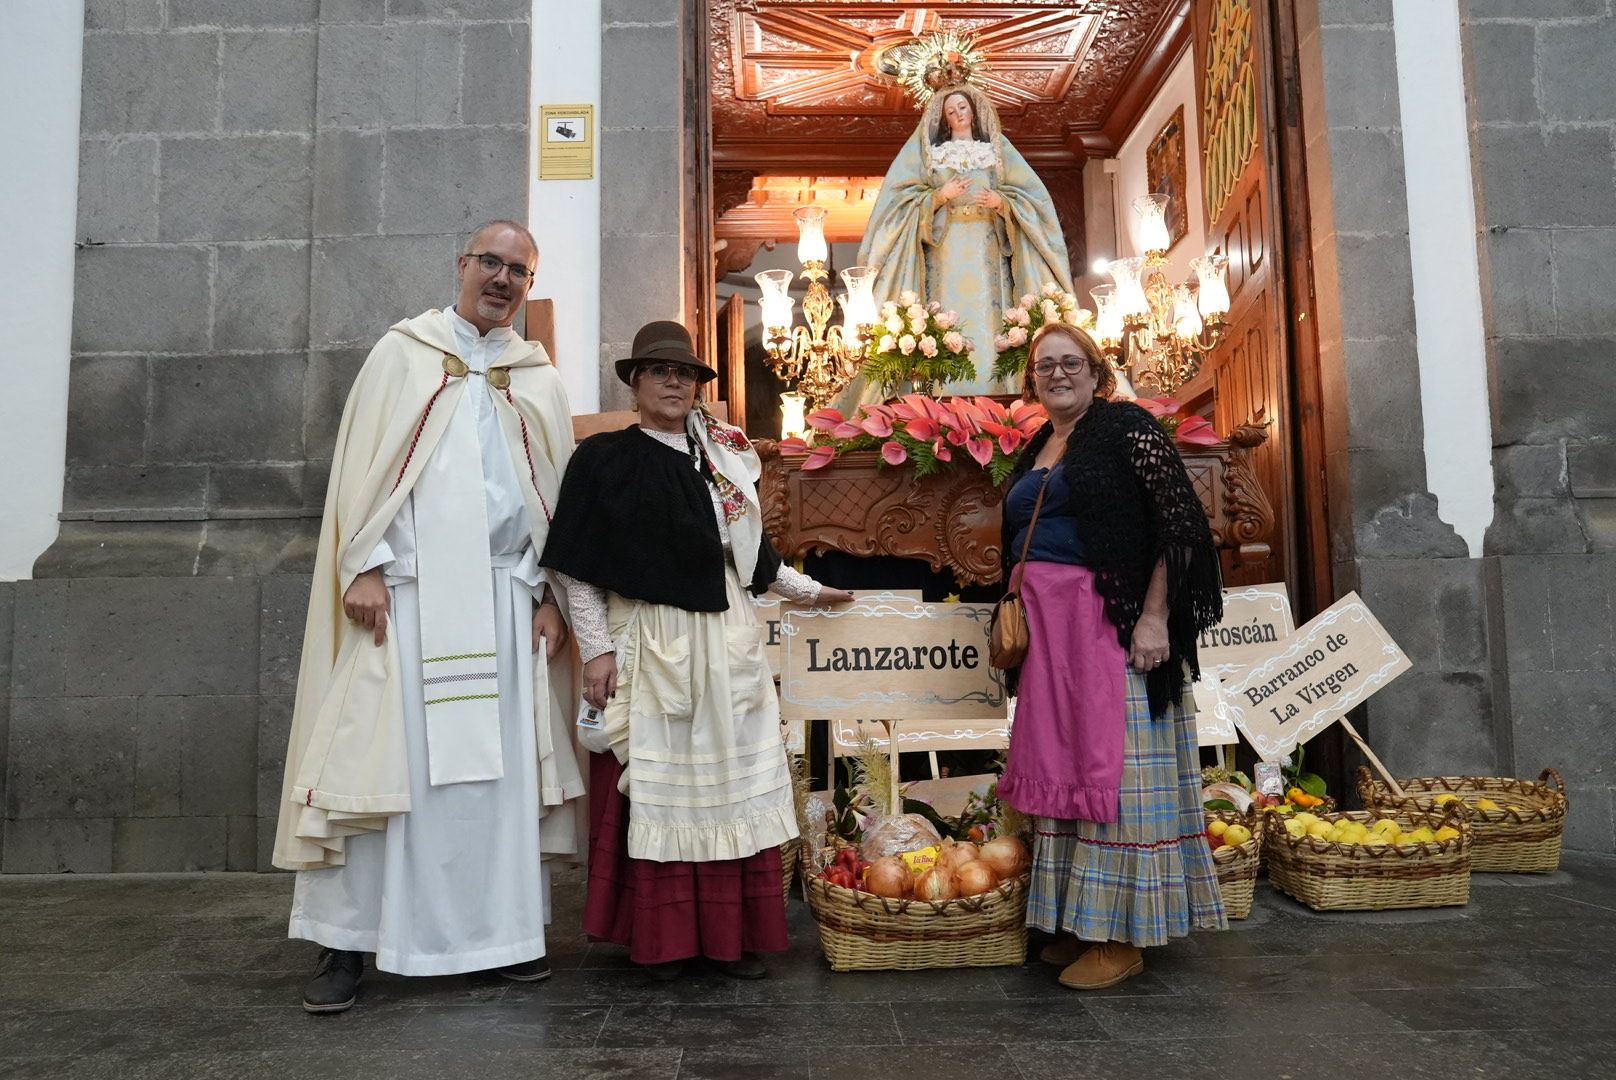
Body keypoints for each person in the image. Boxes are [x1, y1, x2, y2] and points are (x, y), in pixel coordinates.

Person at [273, 220, 587, 1013]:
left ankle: (502, 938)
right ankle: (346, 948)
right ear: (461, 265)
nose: (503, 278)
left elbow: (555, 500)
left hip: (504, 600)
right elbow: (361, 475)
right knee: (381, 768)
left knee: (496, 781)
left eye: (519, 269)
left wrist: (551, 594)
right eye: (492, 262)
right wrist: (364, 565)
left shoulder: (537, 377)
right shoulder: (402, 355)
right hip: (406, 601)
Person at [540, 321, 853, 980]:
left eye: (686, 373)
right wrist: (596, 651)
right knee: (659, 787)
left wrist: (814, 591)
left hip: (728, 641)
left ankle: (732, 939)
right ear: (635, 382)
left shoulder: (721, 458)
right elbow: (575, 567)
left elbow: (754, 561)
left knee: (734, 787)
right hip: (651, 642)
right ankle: (661, 940)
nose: (676, 382)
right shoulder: (603, 459)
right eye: (660, 371)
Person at [995, 321, 1226, 990]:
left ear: (1096, 374)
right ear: (1032, 381)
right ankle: (1080, 921)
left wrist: (1153, 617)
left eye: (1071, 363)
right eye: (1044, 367)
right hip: (1054, 639)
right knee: (1065, 770)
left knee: (1120, 776)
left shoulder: (1126, 427)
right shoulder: (1041, 441)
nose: (1057, 374)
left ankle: (1124, 936)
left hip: (1112, 627)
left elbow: (1178, 524)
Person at [852, 81, 1073, 398]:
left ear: (974, 111)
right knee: (946, 315)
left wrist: (1002, 204)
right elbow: (899, 204)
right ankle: (941, 393)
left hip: (989, 248)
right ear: (944, 119)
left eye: (963, 107)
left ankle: (1000, 390)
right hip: (946, 248)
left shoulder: (996, 153)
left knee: (992, 317)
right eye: (951, 111)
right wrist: (939, 196)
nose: (958, 114)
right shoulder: (931, 156)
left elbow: (1032, 199)